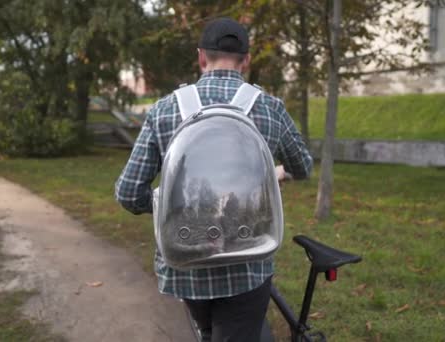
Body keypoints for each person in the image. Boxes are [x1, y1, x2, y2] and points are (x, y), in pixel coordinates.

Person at [115, 17, 312, 342]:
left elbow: (128, 192)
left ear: (201, 57)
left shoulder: (164, 110)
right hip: (249, 264)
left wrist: (176, 208)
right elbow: (303, 165)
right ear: (246, 61)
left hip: (187, 263)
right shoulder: (270, 108)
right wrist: (279, 173)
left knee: (208, 332)